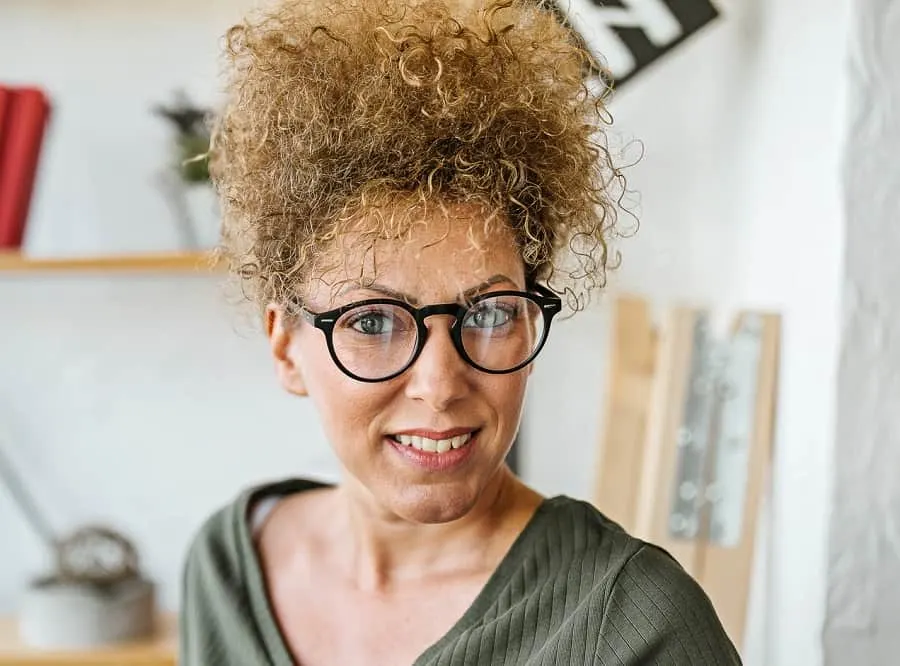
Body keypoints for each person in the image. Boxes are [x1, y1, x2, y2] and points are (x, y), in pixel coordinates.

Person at [178, 0, 741, 664]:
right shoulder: (227, 571)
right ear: (285, 347)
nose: (441, 384)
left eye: (491, 314)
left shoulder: (635, 627)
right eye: (373, 322)